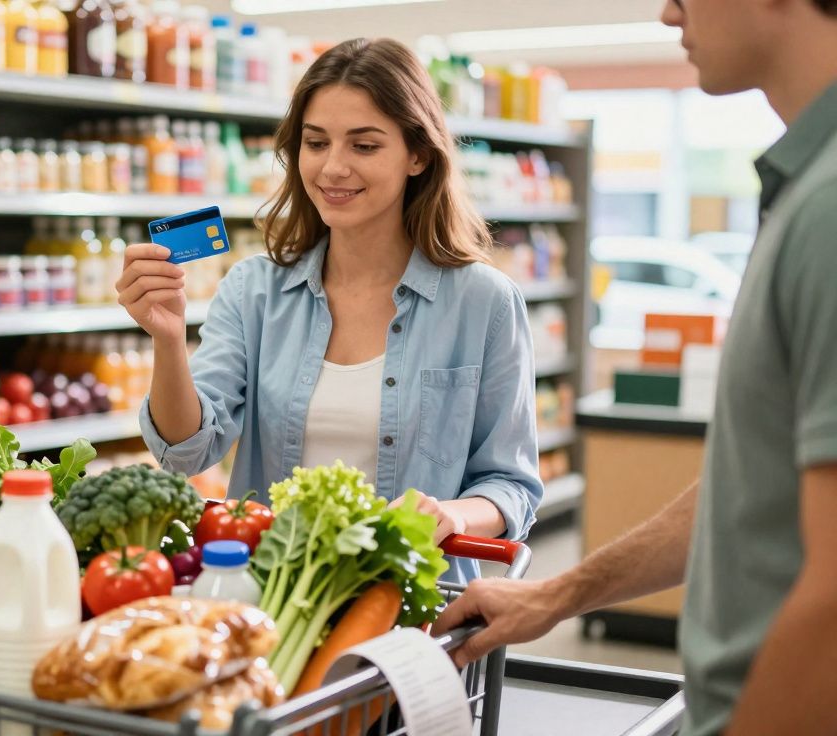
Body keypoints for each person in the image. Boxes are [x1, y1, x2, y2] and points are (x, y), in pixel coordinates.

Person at [435, 0, 837, 733]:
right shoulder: (803, 190)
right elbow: (746, 489)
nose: (666, 10)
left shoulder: (828, 208)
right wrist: (555, 596)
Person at [117, 38, 544, 581]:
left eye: (364, 146)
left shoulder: (483, 302)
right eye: (316, 143)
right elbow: (187, 453)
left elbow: (511, 484)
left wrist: (450, 513)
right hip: (271, 597)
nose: (333, 168)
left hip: (412, 604)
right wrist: (168, 339)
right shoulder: (255, 290)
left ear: (418, 155)